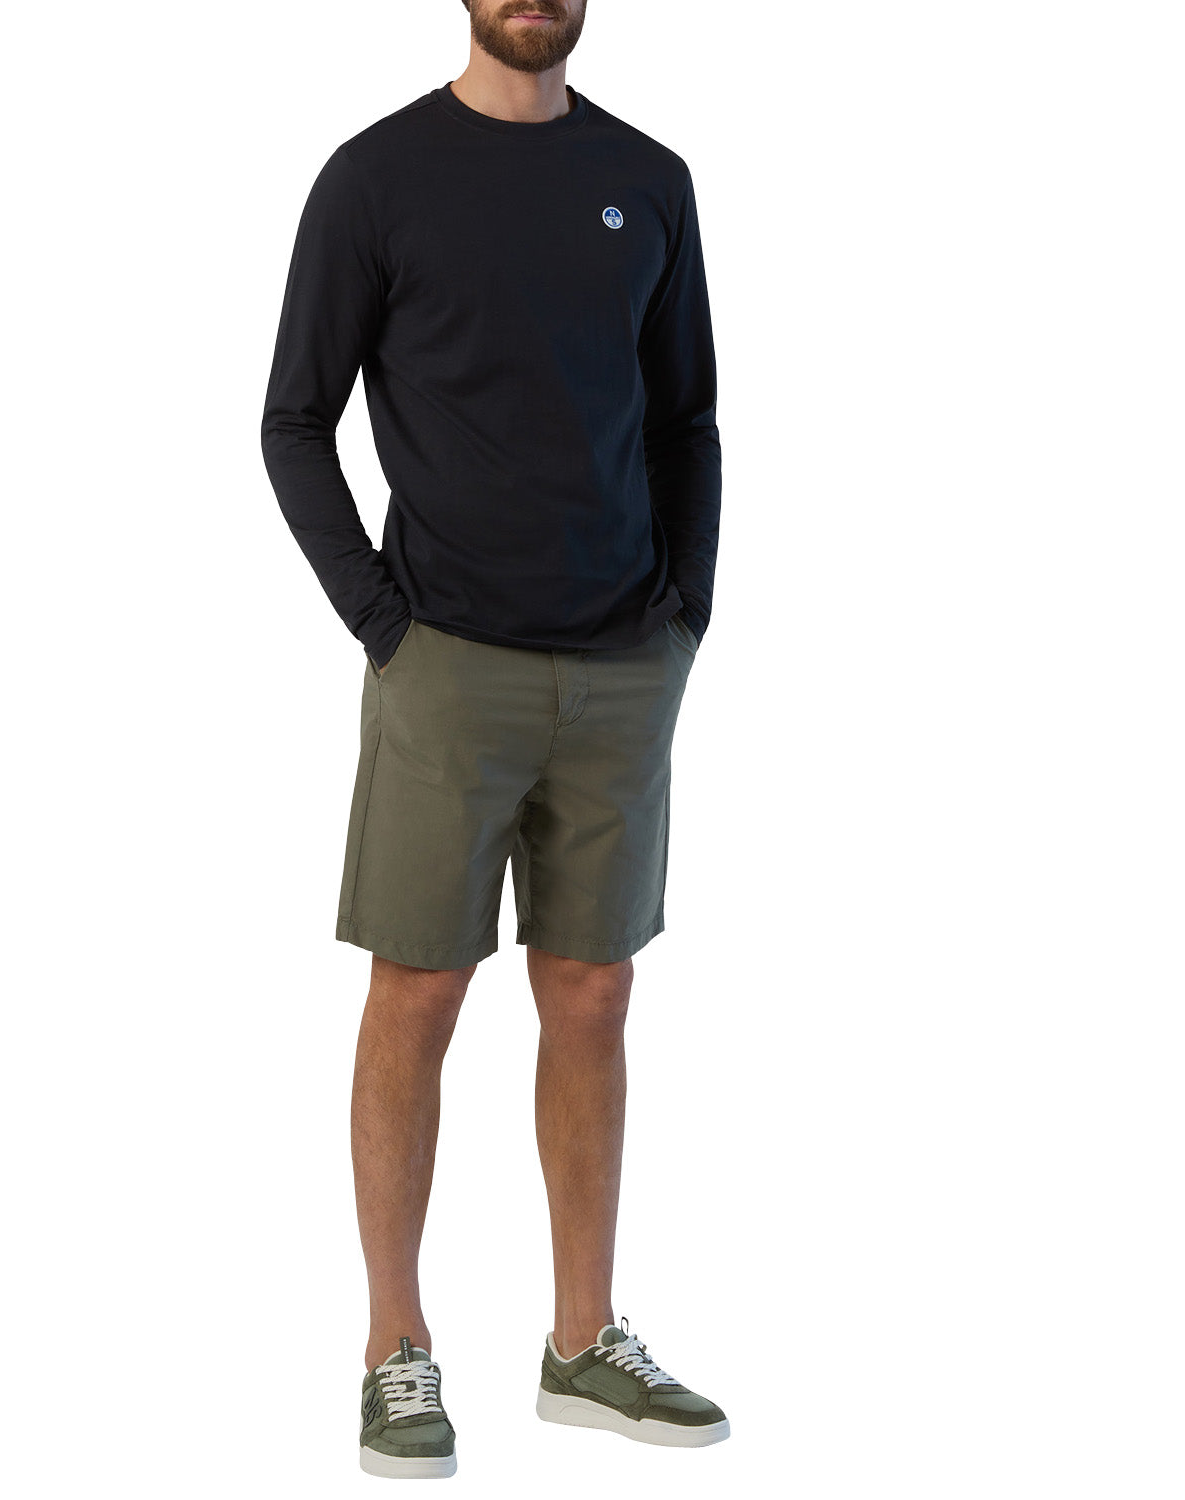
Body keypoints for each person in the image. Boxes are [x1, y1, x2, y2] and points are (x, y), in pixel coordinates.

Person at [261, 0, 726, 1478]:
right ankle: (395, 1350)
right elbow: (293, 421)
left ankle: (582, 1344)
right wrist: (381, 623)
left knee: (592, 993)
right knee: (418, 990)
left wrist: (686, 614)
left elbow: (689, 420)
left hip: (622, 665)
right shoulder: (376, 178)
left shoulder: (648, 180)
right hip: (445, 666)